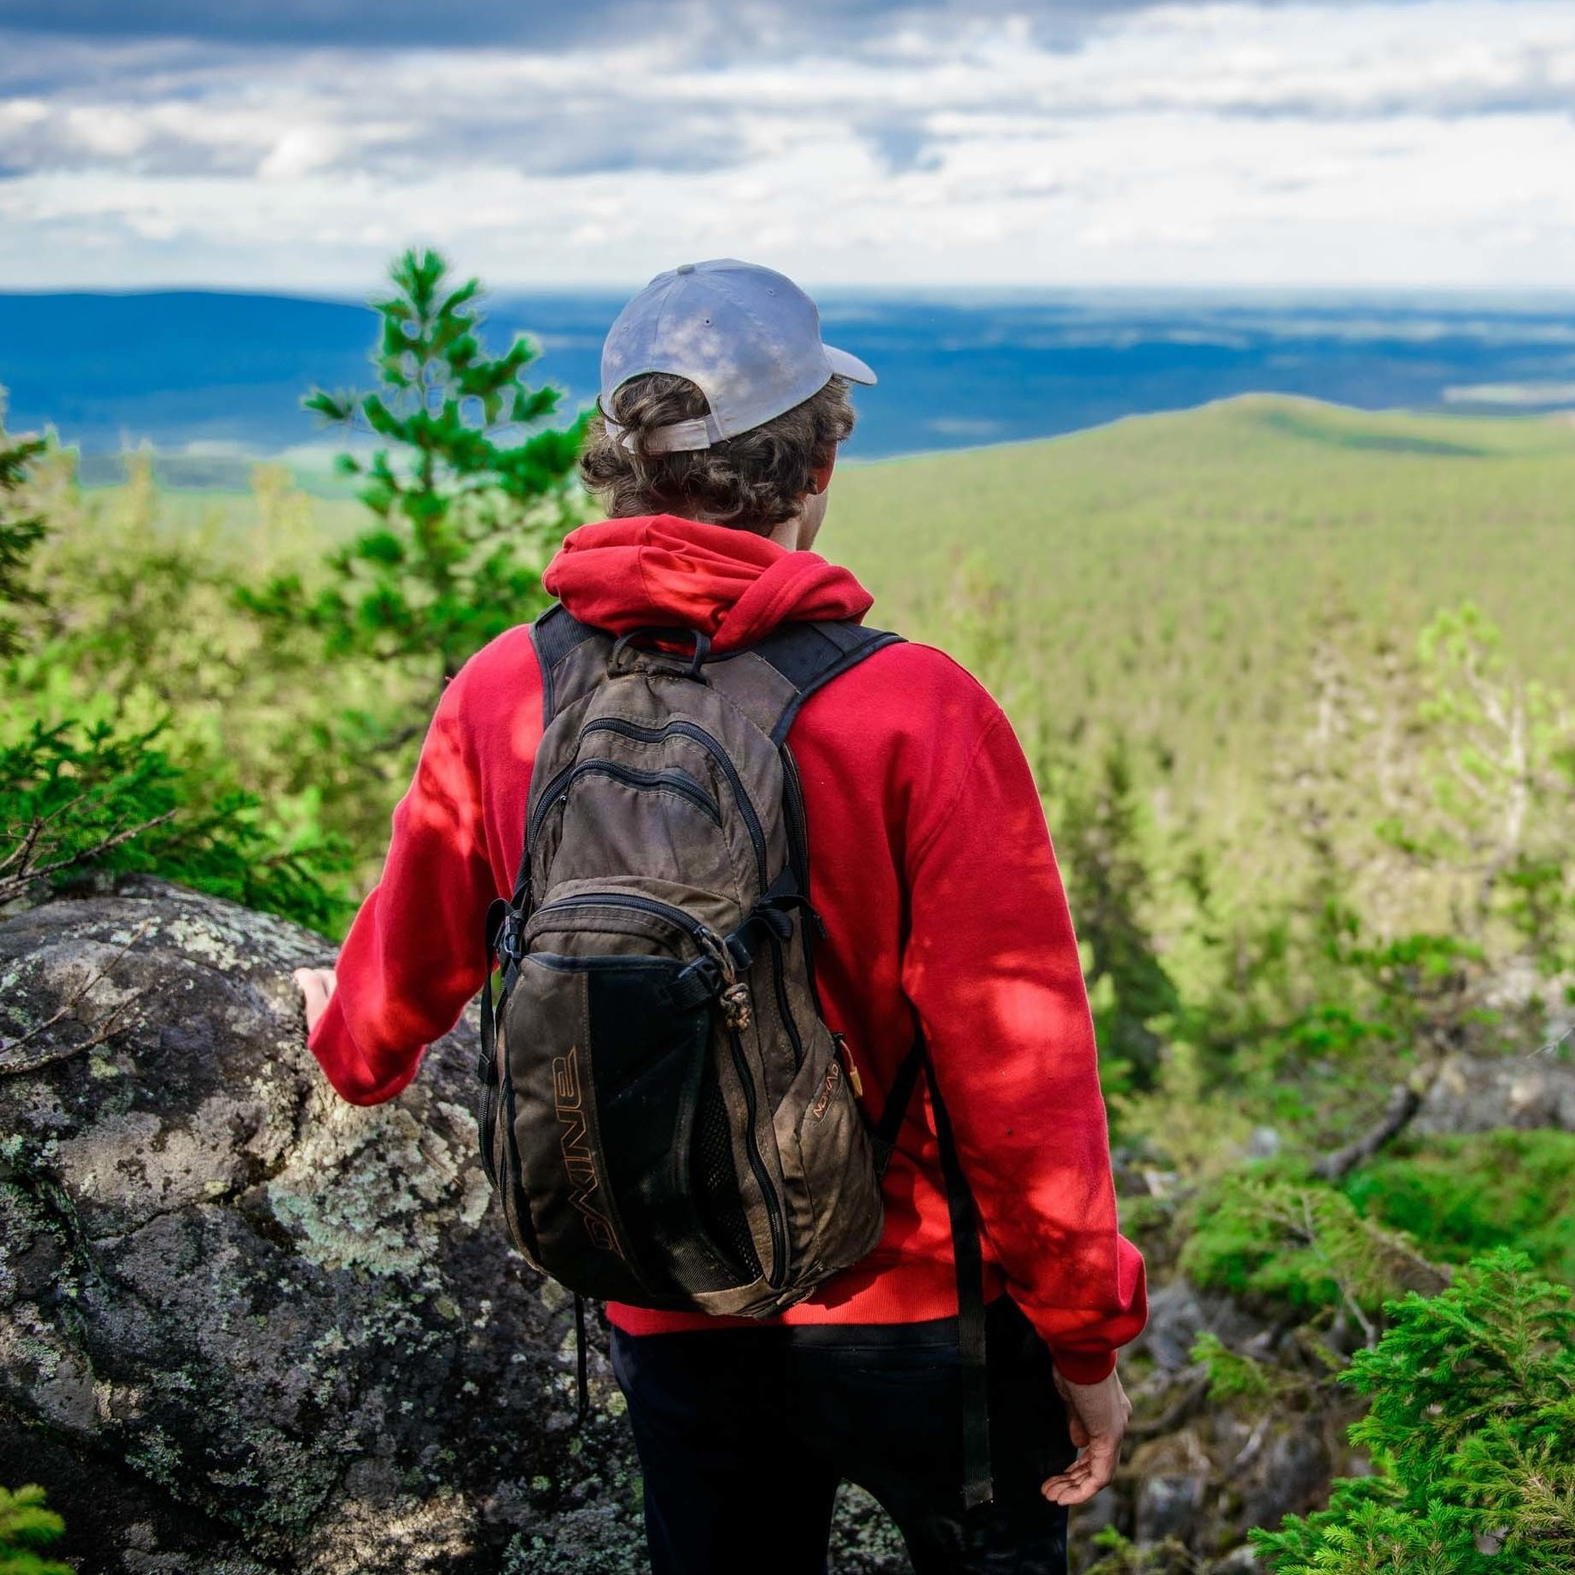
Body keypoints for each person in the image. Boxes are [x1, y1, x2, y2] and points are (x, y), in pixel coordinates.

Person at [292, 259, 1145, 1575]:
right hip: (922, 1311)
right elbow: (1019, 1068)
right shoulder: (914, 711)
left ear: (622, 469)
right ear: (817, 467)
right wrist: (1085, 1338)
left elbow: (381, 1019)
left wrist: (338, 1028)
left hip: (667, 1285)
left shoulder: (507, 690)